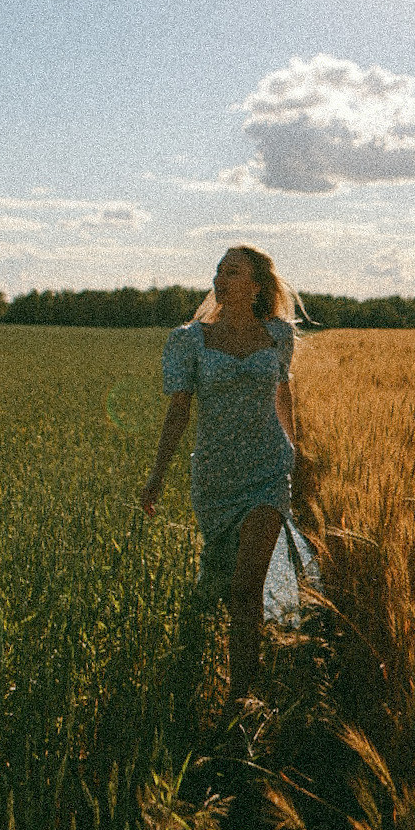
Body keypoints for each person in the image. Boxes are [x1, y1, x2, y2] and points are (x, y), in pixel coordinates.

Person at [140, 246, 316, 701]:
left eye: (232, 271)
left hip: (267, 470)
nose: (220, 277)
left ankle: (243, 698)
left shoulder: (279, 335)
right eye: (218, 269)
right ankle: (192, 661)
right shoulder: (187, 340)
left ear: (257, 285)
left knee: (245, 586)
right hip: (215, 475)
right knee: (218, 577)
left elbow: (284, 396)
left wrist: (294, 453)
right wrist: (157, 475)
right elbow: (178, 414)